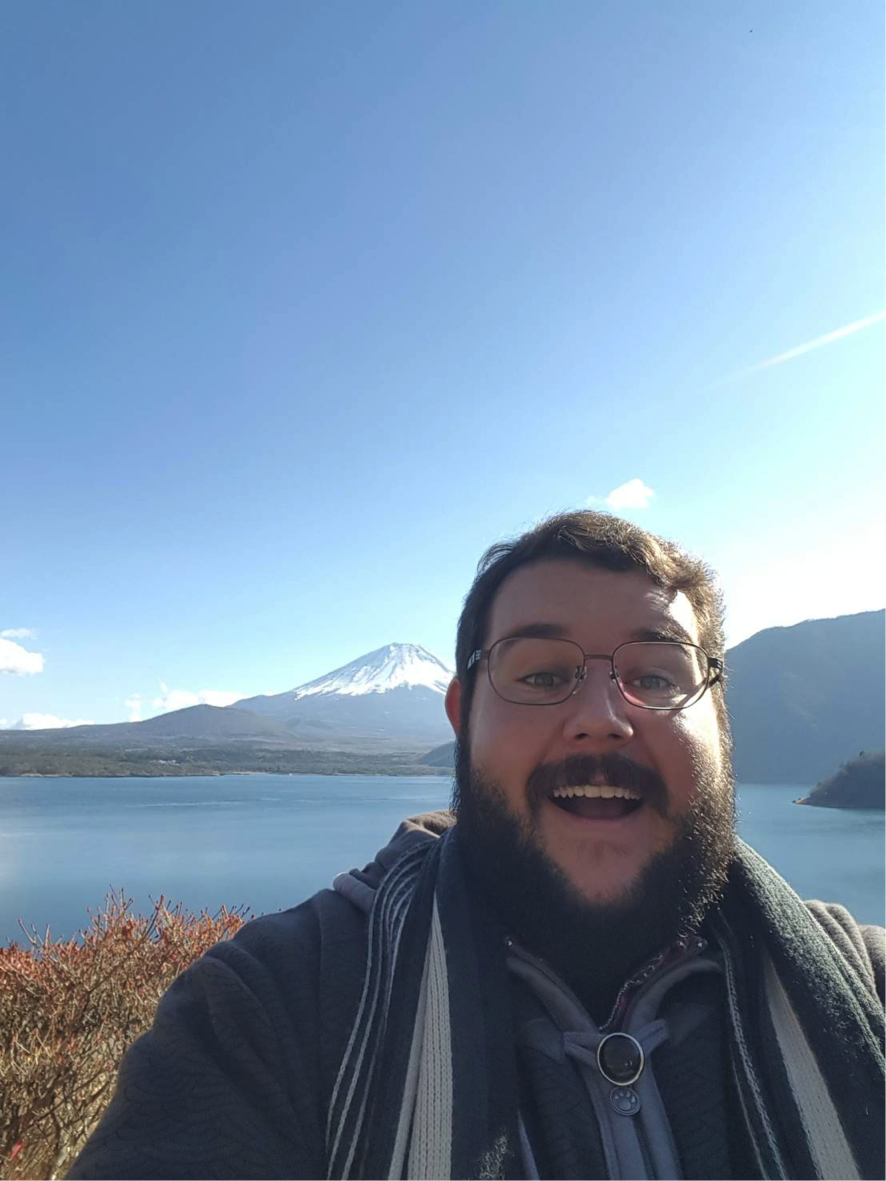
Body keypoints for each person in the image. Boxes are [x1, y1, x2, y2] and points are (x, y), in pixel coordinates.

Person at [67, 511, 886, 1181]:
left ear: (721, 720)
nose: (602, 713)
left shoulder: (865, 992)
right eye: (539, 674)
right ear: (462, 718)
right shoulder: (270, 1012)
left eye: (660, 675)